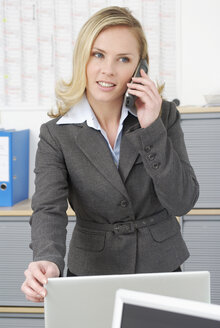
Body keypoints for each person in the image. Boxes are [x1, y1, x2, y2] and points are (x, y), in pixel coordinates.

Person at [21, 6, 199, 303]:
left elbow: (182, 201)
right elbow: (48, 209)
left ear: (140, 67)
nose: (108, 70)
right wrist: (48, 259)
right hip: (92, 271)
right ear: (83, 58)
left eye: (124, 59)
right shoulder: (57, 133)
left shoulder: (163, 116)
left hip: (161, 268)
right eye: (98, 54)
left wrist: (151, 127)